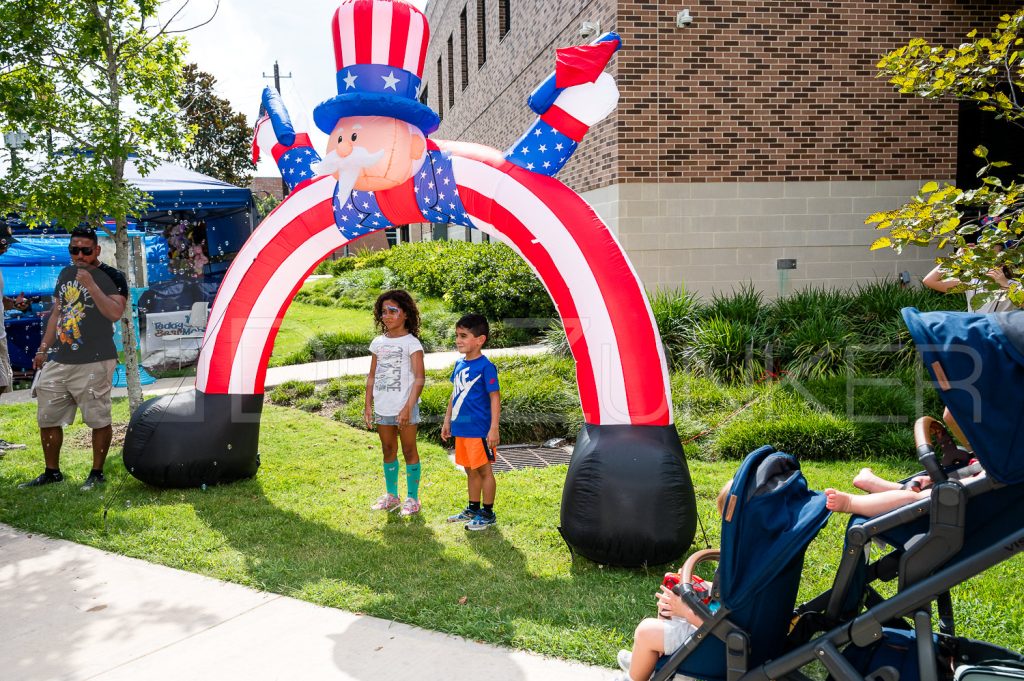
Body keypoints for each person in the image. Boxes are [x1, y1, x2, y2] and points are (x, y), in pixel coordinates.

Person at [19, 227, 127, 491]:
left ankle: (97, 473)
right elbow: (57, 313)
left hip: (96, 359)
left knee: (98, 418)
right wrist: (43, 349)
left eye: (85, 250)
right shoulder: (66, 274)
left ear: (97, 250)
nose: (79, 255)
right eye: (73, 250)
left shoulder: (113, 276)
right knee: (47, 417)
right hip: (60, 358)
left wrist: (91, 284)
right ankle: (52, 471)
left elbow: (114, 312)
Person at [615, 481, 733, 681]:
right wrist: (703, 586)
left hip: (716, 641)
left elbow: (721, 624)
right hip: (715, 628)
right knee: (669, 603)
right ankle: (647, 662)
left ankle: (636, 675)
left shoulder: (743, 562)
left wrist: (686, 611)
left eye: (729, 522)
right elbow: (732, 595)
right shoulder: (756, 562)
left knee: (646, 631)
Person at [363, 289, 425, 517]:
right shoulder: (378, 342)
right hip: (383, 406)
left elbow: (420, 378)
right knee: (388, 449)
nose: (386, 316)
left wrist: (408, 407)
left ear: (406, 314)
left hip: (405, 407)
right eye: (383, 312)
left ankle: (412, 498)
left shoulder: (412, 343)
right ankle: (392, 495)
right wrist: (368, 404)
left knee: (409, 450)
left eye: (392, 311)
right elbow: (372, 375)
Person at [441, 314, 502, 531]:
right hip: (462, 428)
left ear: (480, 339)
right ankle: (473, 508)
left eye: (463, 336)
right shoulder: (459, 363)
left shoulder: (486, 367)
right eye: (457, 335)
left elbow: (495, 397)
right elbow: (454, 394)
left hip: (480, 430)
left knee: (484, 471)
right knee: (469, 470)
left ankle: (487, 513)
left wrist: (493, 428)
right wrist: (447, 421)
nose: (458, 340)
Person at [0, 224, 30, 397]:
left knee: (3, 384)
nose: (5, 250)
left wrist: (12, 303)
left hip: (0, 336)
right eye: (3, 245)